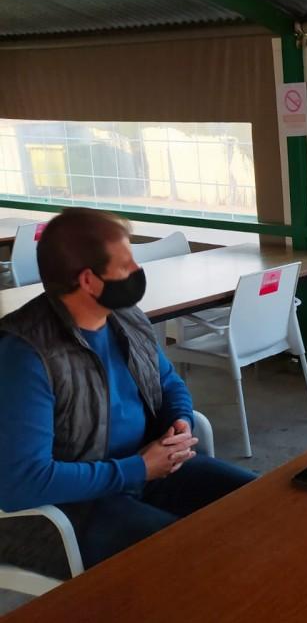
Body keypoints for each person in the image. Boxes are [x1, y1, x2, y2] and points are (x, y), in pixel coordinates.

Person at [0, 208, 255, 571]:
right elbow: (23, 483)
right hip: (72, 507)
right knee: (197, 560)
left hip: (147, 470)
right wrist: (137, 469)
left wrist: (179, 420)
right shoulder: (26, 355)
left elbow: (168, 382)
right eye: (126, 265)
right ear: (88, 280)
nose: (137, 271)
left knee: (262, 504)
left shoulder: (125, 316)